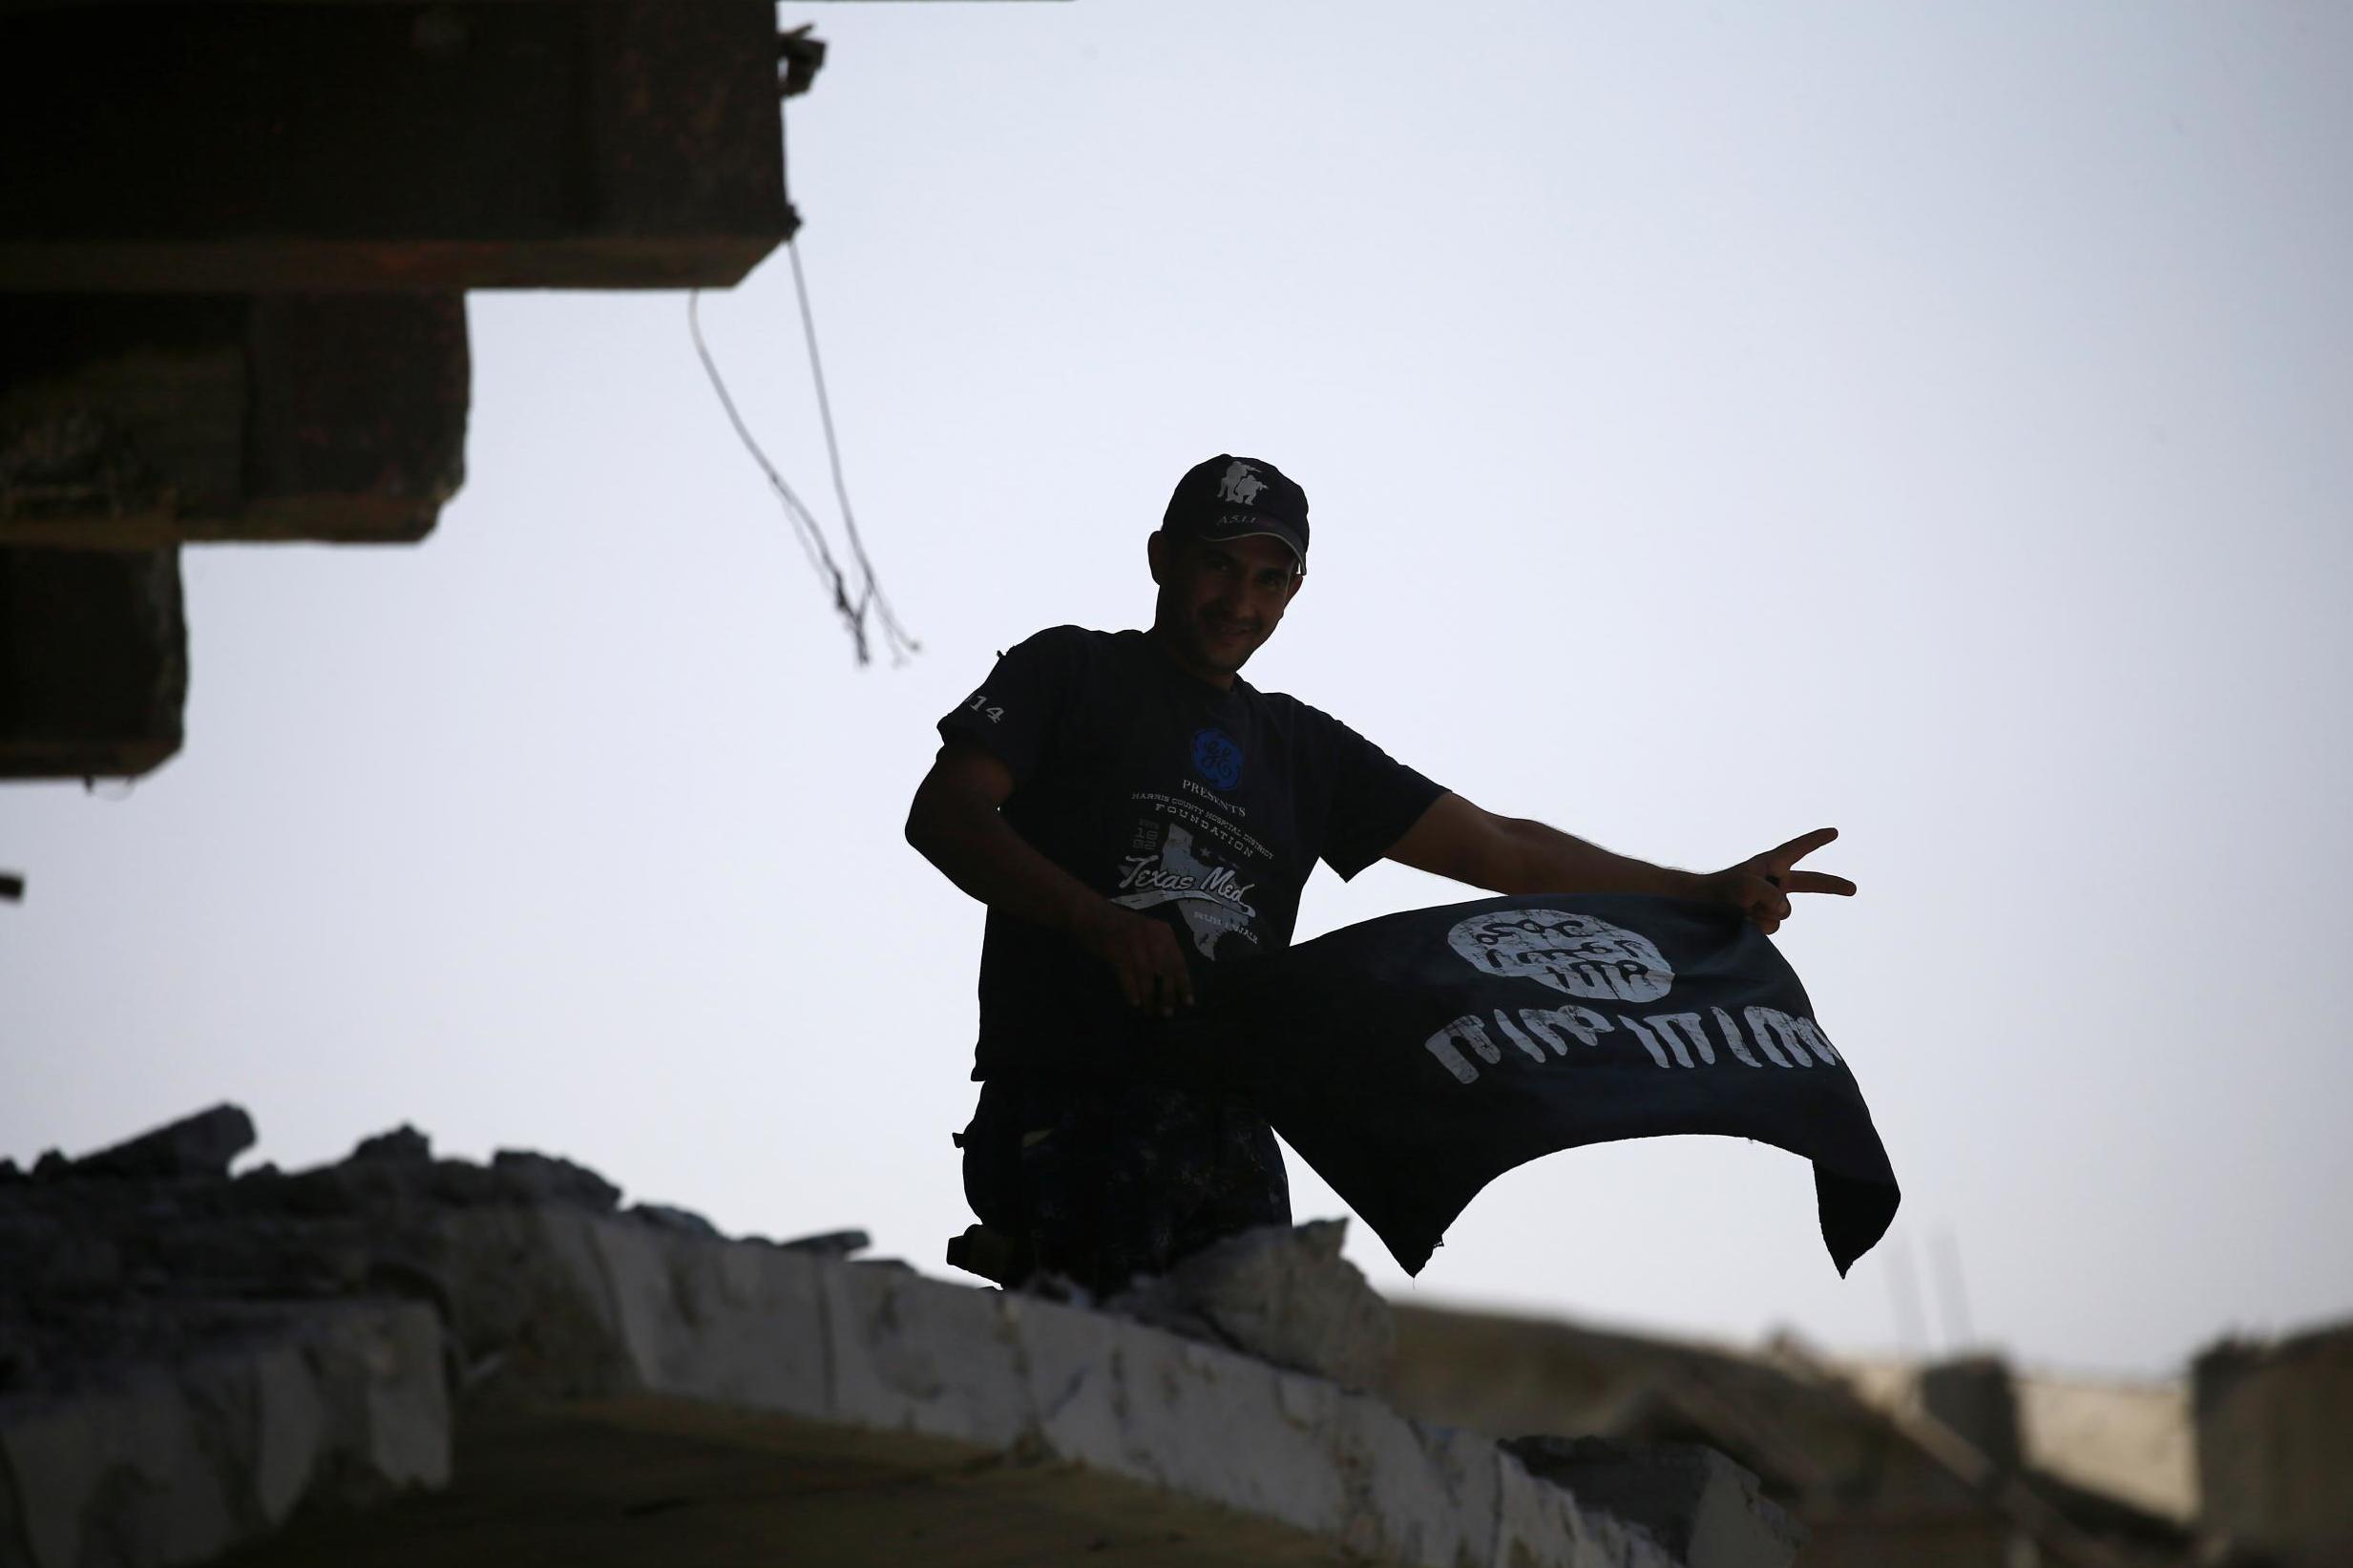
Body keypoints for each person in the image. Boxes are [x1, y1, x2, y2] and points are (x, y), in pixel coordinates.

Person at [905, 454, 1853, 1296]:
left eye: (1270, 577)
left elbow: (1501, 848)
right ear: (1161, 555)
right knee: (1094, 1380)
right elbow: (943, 813)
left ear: (1295, 589)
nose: (1241, 600)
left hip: (1230, 1119)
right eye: (1217, 565)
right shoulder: (1069, 670)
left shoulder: (1300, 748)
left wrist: (1693, 890)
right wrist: (1097, 921)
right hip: (1069, 1102)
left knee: (1246, 1394)